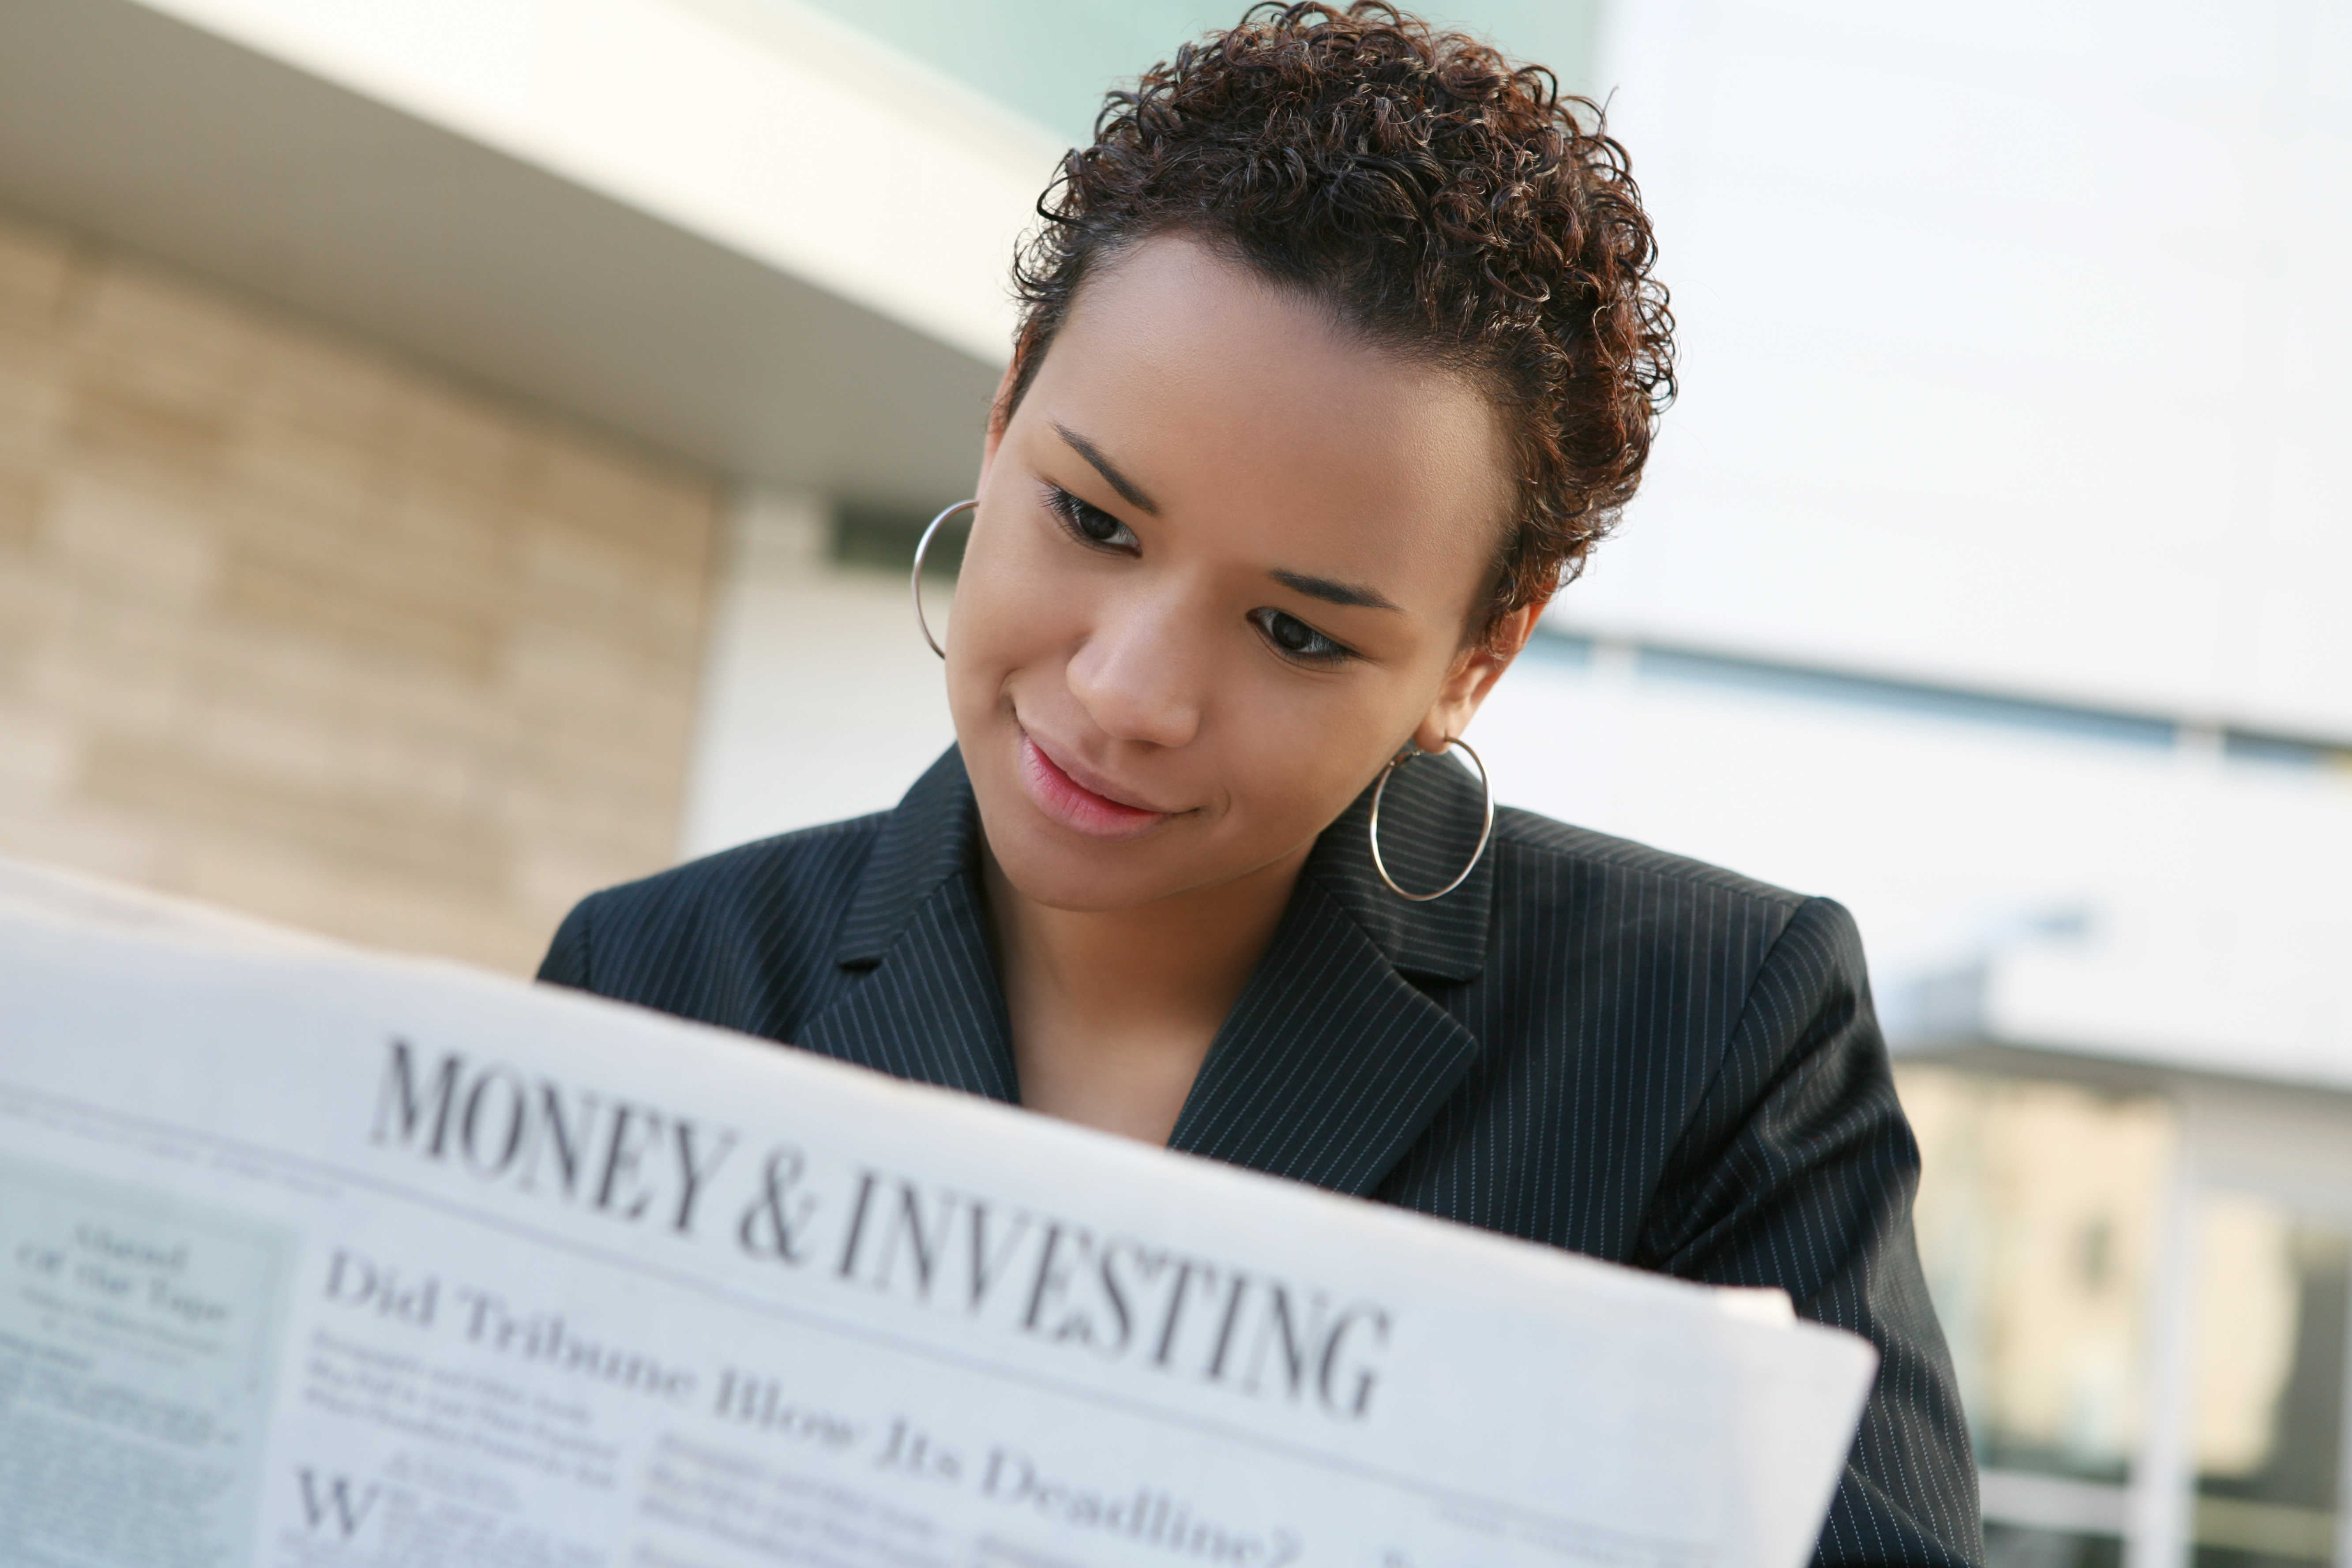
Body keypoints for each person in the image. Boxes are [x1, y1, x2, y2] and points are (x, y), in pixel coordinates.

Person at [539, 5, 1981, 1561]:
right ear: (1010, 402)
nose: (1125, 693)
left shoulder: (1710, 1045)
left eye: (1295, 630)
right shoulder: (653, 987)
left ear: (1475, 657)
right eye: (1092, 521)